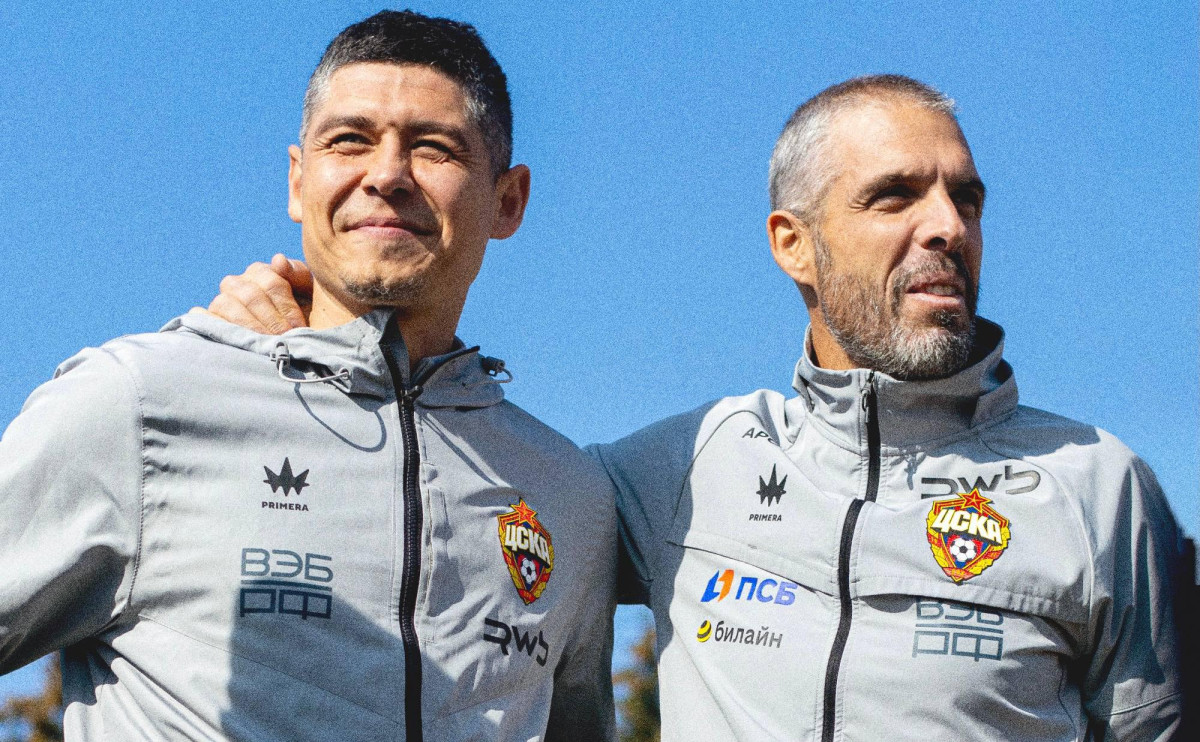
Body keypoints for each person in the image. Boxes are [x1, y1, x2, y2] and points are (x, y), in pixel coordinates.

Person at [216, 74, 1188, 740]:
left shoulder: (1099, 491)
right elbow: (466, 484)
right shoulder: (682, 467)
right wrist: (298, 344)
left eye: (965, 200)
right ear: (792, 243)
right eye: (895, 198)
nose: (946, 227)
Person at [0, 11, 616, 741]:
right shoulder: (138, 404)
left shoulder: (569, 496)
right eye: (349, 140)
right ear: (298, 180)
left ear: (507, 201)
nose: (385, 175)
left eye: (434, 148)